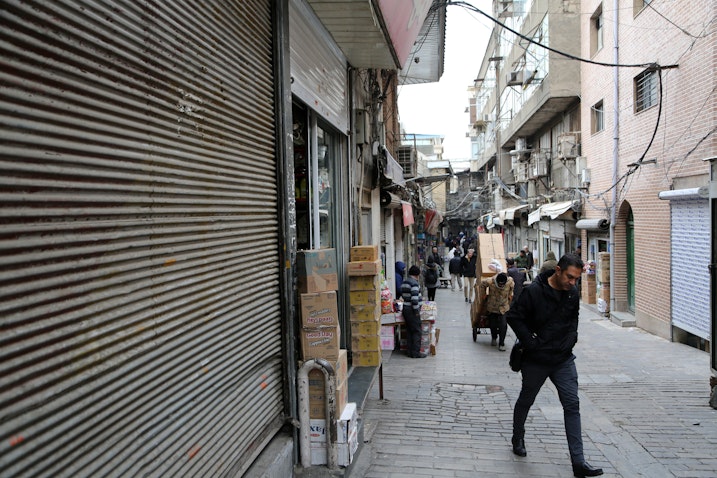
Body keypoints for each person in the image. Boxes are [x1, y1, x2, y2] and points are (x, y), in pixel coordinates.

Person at [506, 254, 603, 478]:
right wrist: (530, 342)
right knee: (526, 399)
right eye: (570, 277)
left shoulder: (572, 293)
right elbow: (514, 316)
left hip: (562, 359)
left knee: (572, 405)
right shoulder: (534, 292)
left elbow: (573, 320)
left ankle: (578, 462)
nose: (573, 282)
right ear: (558, 270)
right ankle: (517, 436)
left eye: (576, 279)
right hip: (536, 359)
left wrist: (571, 340)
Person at [478, 272, 514, 351]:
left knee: (503, 325)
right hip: (492, 307)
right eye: (499, 284)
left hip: (503, 307)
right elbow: (482, 285)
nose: (501, 286)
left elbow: (512, 290)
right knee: (493, 324)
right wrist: (483, 294)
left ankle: (501, 343)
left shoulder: (510, 282)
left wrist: (510, 295)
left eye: (502, 285)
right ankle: (494, 337)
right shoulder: (490, 281)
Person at [401, 265, 427, 358]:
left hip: (405, 308)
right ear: (417, 274)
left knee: (409, 330)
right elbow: (414, 300)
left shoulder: (405, 282)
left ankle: (409, 351)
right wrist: (416, 311)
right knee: (417, 331)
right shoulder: (414, 283)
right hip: (412, 310)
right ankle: (416, 352)